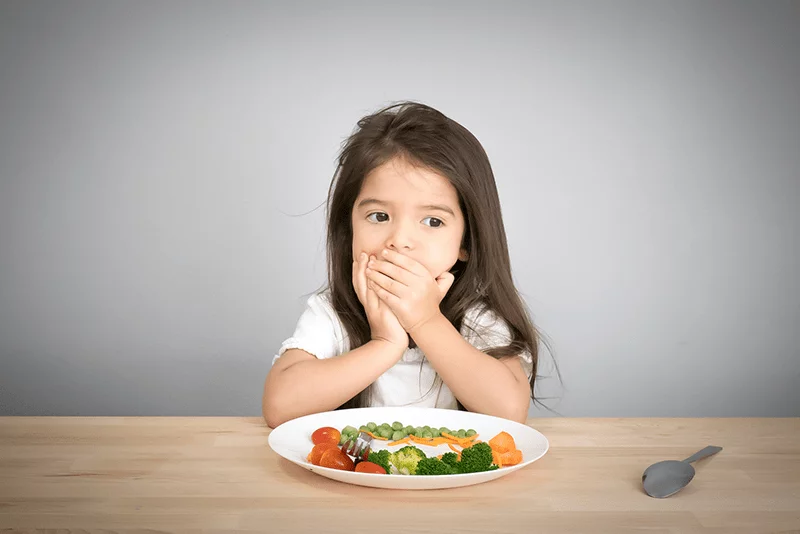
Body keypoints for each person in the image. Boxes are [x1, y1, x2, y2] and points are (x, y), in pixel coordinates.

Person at [263, 101, 547, 428]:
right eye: (379, 216)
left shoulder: (475, 315)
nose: (399, 239)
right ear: (349, 227)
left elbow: (509, 410)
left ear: (466, 242)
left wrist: (426, 320)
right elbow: (279, 406)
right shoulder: (333, 312)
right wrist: (384, 345)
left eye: (432, 221)